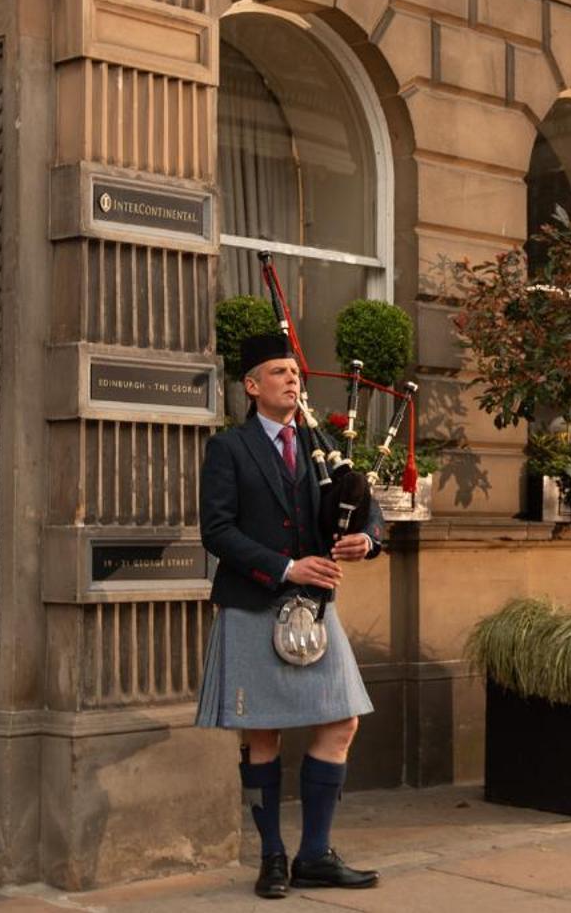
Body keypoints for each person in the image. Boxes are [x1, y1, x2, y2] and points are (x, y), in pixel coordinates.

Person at [198, 331, 385, 899]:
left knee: (341, 722)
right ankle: (273, 857)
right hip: (257, 601)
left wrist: (366, 542)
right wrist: (286, 568)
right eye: (279, 371)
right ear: (252, 387)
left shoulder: (321, 443)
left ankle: (315, 855)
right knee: (263, 736)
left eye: (294, 372)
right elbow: (218, 532)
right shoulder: (229, 449)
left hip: (316, 608)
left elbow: (368, 513)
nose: (292, 379)